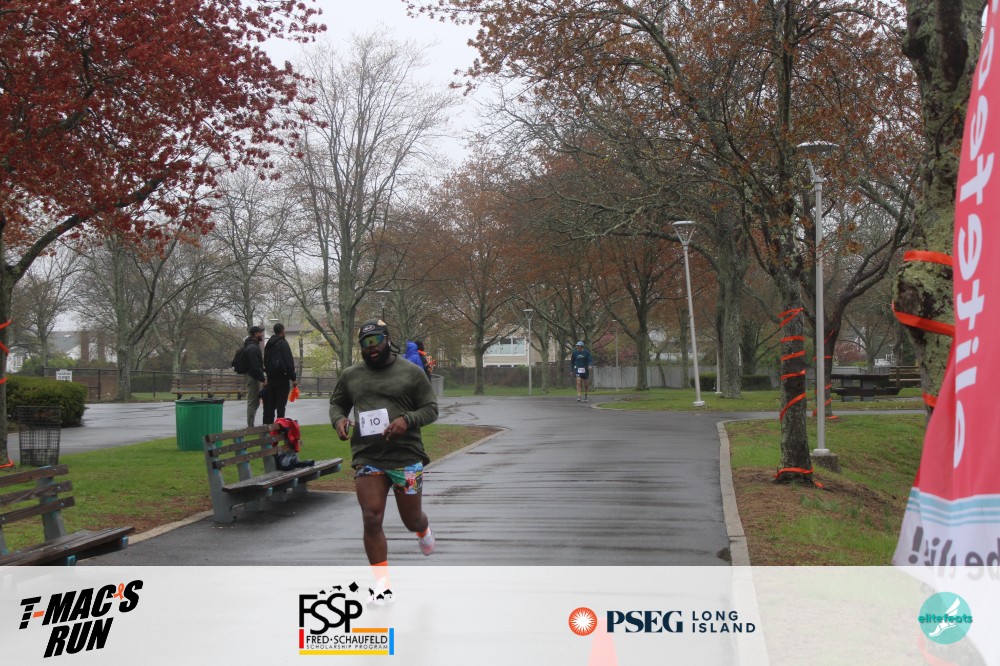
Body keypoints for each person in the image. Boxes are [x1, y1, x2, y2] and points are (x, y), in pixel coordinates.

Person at [329, 319, 439, 592]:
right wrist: (339, 420)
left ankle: (423, 529)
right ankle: (382, 586)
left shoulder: (412, 372)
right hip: (368, 457)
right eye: (365, 343)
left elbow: (431, 409)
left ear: (387, 339)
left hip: (406, 457)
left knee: (411, 520)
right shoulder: (351, 375)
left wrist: (407, 420)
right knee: (371, 518)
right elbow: (337, 404)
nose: (371, 347)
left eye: (375, 341)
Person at [263, 322, 298, 425]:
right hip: (282, 377)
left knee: (271, 403)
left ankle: (268, 425)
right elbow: (288, 362)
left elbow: (265, 360)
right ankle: (280, 424)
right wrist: (293, 378)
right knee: (281, 404)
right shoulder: (283, 343)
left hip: (271, 377)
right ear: (282, 331)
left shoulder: (269, 344)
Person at [243, 325, 266, 427]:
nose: (262, 335)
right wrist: (263, 379)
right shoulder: (252, 347)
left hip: (252, 375)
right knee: (253, 401)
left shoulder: (251, 345)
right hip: (252, 377)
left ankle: (251, 425)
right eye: (260, 333)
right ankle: (250, 426)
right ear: (256, 334)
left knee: (255, 401)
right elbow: (255, 366)